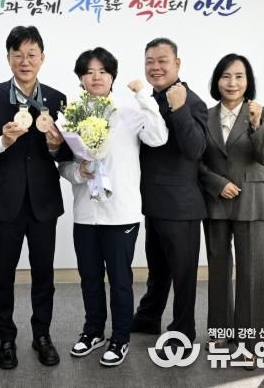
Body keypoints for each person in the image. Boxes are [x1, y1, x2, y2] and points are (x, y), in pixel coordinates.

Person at [0, 25, 72, 370]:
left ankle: (42, 335)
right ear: (8, 58)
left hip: (43, 202)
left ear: (42, 58)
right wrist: (3, 141)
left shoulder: (57, 98)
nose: (25, 61)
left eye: (31, 55)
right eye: (18, 55)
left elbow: (67, 153)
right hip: (3, 202)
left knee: (44, 275)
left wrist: (56, 146)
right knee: (3, 275)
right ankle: (6, 339)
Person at [59, 47, 168, 367]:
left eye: (103, 72)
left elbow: (159, 137)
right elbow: (63, 165)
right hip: (86, 212)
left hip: (121, 212)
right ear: (81, 78)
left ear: (112, 77)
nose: (96, 77)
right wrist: (78, 172)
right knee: (89, 277)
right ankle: (93, 331)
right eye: (89, 72)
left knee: (120, 280)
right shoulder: (71, 116)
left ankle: (120, 337)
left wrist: (144, 95)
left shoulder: (130, 111)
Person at [132, 38, 208, 357]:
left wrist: (179, 108)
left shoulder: (192, 102)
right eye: (150, 61)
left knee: (183, 275)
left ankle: (183, 331)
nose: (155, 67)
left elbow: (195, 149)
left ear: (177, 64)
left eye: (162, 60)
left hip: (181, 206)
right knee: (158, 268)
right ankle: (149, 316)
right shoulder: (147, 99)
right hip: (152, 202)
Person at [199, 54, 264, 365]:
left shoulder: (263, 113)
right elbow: (195, 161)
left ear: (248, 81)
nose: (232, 83)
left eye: (239, 76)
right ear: (217, 81)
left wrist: (256, 125)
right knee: (218, 271)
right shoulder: (204, 116)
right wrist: (216, 183)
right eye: (226, 76)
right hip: (216, 202)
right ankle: (220, 333)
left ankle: (252, 342)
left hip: (252, 202)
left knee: (251, 273)